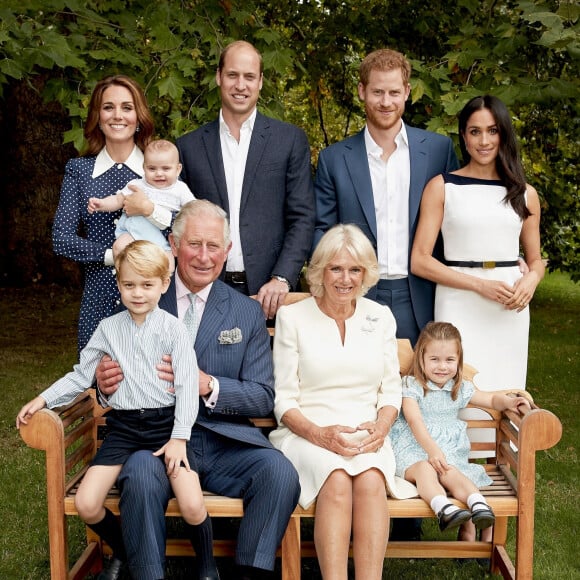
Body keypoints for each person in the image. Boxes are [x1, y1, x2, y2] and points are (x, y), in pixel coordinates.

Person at [96, 200, 300, 580]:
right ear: (173, 245)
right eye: (194, 244)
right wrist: (104, 387)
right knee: (139, 474)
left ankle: (249, 573)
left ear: (227, 251)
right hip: (154, 440)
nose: (204, 257)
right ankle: (148, 573)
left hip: (224, 441)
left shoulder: (245, 312)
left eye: (213, 246)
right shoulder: (141, 296)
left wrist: (207, 383)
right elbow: (106, 379)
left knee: (279, 473)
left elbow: (261, 395)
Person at [16, 240, 219, 580]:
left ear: (164, 284)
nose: (137, 293)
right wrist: (43, 399)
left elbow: (186, 388)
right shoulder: (108, 329)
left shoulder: (173, 330)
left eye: (147, 285)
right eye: (129, 285)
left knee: (192, 503)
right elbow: (82, 375)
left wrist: (180, 438)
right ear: (119, 284)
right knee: (87, 503)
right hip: (124, 429)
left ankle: (207, 564)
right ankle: (124, 552)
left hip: (166, 428)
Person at [269, 224, 417, 579]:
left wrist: (382, 428)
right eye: (336, 268)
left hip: (366, 431)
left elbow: (390, 389)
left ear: (365, 274)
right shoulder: (293, 317)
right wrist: (319, 435)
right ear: (320, 270)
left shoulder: (379, 316)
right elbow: (284, 398)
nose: (345, 279)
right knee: (335, 477)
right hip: (306, 432)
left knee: (369, 479)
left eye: (354, 270)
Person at [313, 48, 459, 346]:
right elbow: (321, 229)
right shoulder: (334, 159)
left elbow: (459, 220)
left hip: (421, 293)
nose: (386, 102)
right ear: (362, 91)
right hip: (357, 293)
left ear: (406, 91)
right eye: (377, 92)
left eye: (394, 92)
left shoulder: (437, 151)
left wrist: (506, 261)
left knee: (423, 389)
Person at [411, 95, 544, 391]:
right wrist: (480, 284)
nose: (484, 141)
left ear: (504, 134)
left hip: (510, 307)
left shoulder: (525, 194)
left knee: (506, 389)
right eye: (475, 131)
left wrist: (532, 280)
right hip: (458, 301)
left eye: (493, 131)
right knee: (456, 389)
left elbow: (535, 260)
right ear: (463, 136)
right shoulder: (442, 187)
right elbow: (420, 260)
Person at [176, 40, 315, 319]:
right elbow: (178, 220)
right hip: (205, 288)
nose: (241, 85)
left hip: (271, 294)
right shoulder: (188, 147)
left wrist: (282, 278)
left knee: (269, 364)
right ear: (219, 77)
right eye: (232, 75)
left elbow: (302, 216)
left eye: (249, 77)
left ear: (261, 81)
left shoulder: (289, 140)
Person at [52, 74, 162, 352]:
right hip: (99, 298)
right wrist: (114, 256)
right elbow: (61, 238)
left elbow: (180, 229)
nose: (118, 115)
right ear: (97, 116)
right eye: (108, 107)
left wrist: (150, 209)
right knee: (97, 386)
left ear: (139, 117)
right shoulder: (79, 171)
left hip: (154, 299)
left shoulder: (160, 169)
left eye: (127, 107)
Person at [390, 322, 530, 532]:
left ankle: (478, 504)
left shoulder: (459, 387)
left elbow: (491, 400)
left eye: (449, 360)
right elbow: (414, 421)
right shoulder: (412, 385)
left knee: (451, 472)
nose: (442, 366)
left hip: (447, 454)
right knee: (425, 470)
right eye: (434, 359)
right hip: (413, 450)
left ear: (458, 361)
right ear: (422, 359)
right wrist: (432, 450)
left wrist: (509, 402)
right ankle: (443, 508)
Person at [88, 139, 195, 271]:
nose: (159, 173)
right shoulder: (137, 184)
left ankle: (161, 288)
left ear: (178, 169)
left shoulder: (180, 189)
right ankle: (124, 277)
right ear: (143, 168)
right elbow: (118, 200)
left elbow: (193, 210)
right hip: (132, 233)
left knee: (169, 265)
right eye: (152, 168)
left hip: (161, 240)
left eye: (166, 168)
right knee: (119, 247)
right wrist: (102, 203)